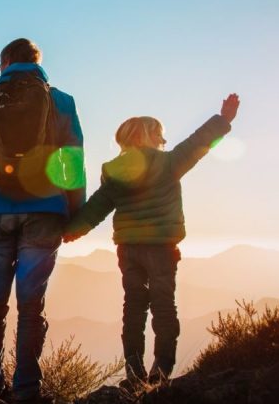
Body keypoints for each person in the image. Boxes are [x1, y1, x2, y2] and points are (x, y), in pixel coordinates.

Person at [64, 94, 241, 386]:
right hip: (161, 248)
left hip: (129, 250)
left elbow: (97, 206)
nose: (163, 139)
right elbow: (198, 143)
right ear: (148, 136)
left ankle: (134, 373)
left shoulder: (114, 171)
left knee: (133, 308)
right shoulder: (169, 163)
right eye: (159, 134)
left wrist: (71, 231)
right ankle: (161, 372)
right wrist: (223, 120)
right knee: (164, 306)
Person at [0, 38, 86, 404]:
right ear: (37, 62)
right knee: (31, 306)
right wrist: (74, 212)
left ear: (5, 63)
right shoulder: (61, 101)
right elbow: (73, 160)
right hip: (45, 210)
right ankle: (26, 390)